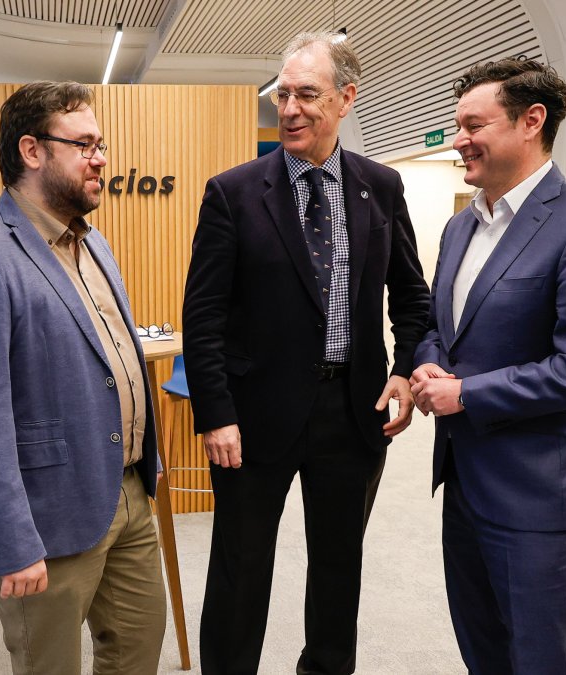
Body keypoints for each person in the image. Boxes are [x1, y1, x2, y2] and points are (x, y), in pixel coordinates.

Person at [181, 31, 430, 674]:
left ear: (346, 98)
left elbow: (410, 295)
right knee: (241, 568)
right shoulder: (233, 193)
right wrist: (215, 412)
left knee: (338, 567)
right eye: (282, 93)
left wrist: (404, 369)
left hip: (353, 413)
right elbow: (202, 315)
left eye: (306, 94)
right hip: (254, 416)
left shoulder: (382, 187)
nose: (288, 108)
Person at [409, 58, 566, 674]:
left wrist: (468, 394)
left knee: (540, 658)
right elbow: (441, 327)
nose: (458, 139)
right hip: (464, 479)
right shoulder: (462, 226)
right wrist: (430, 367)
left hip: (539, 491)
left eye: (472, 125)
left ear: (531, 121)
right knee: (482, 650)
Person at [0, 81, 166, 674]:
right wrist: (10, 540)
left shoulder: (94, 243)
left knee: (138, 651)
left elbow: (110, 359)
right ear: (32, 151)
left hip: (128, 491)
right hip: (47, 516)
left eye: (101, 143)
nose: (102, 158)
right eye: (84, 144)